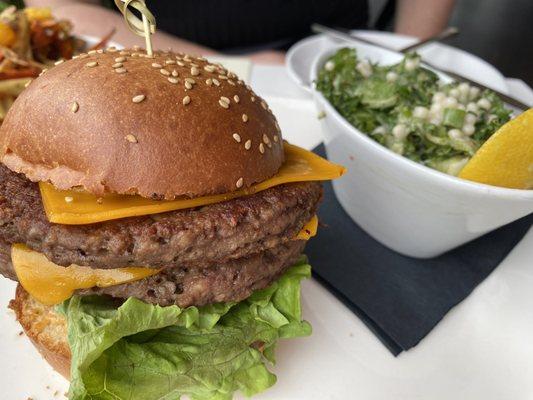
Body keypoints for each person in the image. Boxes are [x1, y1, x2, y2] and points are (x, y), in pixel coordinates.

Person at [25, 0, 455, 63]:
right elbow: (57, 8)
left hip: (346, 53)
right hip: (166, 58)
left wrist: (406, 55)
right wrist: (229, 66)